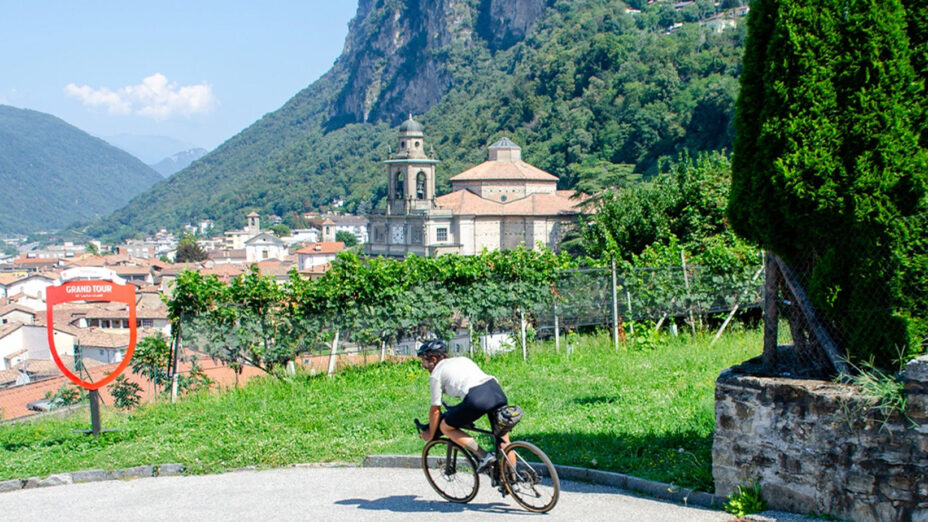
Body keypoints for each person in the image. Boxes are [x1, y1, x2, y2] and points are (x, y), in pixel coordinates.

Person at [417, 338, 509, 472]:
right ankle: (513, 479)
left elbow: (435, 410)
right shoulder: (462, 359)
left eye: (424, 361)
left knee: (445, 427)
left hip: (477, 398)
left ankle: (484, 456)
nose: (423, 365)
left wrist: (431, 434)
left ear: (433, 359)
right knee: (504, 441)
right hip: (496, 391)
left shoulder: (436, 374)